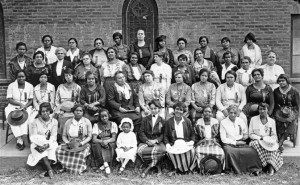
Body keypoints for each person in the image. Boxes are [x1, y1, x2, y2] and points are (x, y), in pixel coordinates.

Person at [220, 105, 262, 174]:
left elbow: (245, 133)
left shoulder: (240, 121)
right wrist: (235, 143)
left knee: (252, 151)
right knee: (230, 152)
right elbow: (223, 139)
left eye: (235, 113)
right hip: (229, 144)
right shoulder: (223, 122)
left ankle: (253, 170)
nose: (233, 115)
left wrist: (243, 139)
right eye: (231, 112)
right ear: (228, 112)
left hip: (241, 142)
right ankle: (233, 170)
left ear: (237, 114)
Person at [56, 104, 92, 175]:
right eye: (76, 110)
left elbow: (89, 136)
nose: (78, 112)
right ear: (73, 112)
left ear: (83, 112)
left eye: (80, 111)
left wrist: (81, 143)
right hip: (70, 142)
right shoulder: (68, 122)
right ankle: (65, 167)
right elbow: (64, 136)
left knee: (80, 153)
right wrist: (67, 143)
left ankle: (79, 169)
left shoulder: (87, 122)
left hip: (82, 143)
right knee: (58, 150)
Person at [249, 103, 283, 176]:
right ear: (258, 110)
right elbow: (251, 134)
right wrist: (260, 138)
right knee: (257, 144)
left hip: (268, 141)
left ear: (267, 110)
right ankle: (266, 167)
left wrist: (271, 141)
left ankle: (270, 166)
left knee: (273, 147)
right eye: (260, 109)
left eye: (264, 109)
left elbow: (274, 135)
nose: (262, 111)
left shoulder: (272, 121)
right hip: (257, 140)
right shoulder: (253, 119)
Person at [27, 103, 58, 179]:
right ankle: (50, 169)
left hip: (50, 142)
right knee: (41, 151)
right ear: (40, 112)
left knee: (53, 147)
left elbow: (53, 136)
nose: (45, 113)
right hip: (38, 143)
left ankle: (47, 170)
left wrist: (48, 144)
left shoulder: (54, 121)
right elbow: (34, 136)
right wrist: (42, 144)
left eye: (47, 111)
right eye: (43, 111)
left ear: (50, 111)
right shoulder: (35, 121)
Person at [164, 102, 195, 176]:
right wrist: (167, 144)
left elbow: (192, 134)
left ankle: (187, 169)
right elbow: (165, 135)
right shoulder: (169, 122)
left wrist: (192, 141)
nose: (179, 111)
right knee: (171, 152)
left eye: (181, 110)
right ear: (174, 110)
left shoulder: (187, 121)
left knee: (192, 151)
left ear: (183, 112)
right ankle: (177, 169)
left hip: (185, 142)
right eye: (177, 109)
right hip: (174, 143)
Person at [191, 106, 224, 174]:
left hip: (213, 143)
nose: (207, 113)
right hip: (202, 143)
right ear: (202, 113)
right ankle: (201, 169)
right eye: (205, 111)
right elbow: (196, 136)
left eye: (209, 112)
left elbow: (218, 135)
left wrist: (216, 141)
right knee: (198, 152)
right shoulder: (198, 122)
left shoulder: (216, 122)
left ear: (212, 113)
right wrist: (199, 142)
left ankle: (217, 169)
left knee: (221, 153)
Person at [5, 70, 34, 150]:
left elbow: (31, 100)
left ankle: (24, 135)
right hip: (13, 106)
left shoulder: (30, 86)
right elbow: (9, 99)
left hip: (26, 106)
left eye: (23, 76)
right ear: (16, 77)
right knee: (12, 118)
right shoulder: (11, 86)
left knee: (26, 117)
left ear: (25, 77)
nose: (21, 78)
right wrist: (19, 104)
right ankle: (19, 138)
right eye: (19, 77)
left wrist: (24, 106)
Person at [138, 99, 166, 178]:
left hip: (157, 141)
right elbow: (141, 132)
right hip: (147, 140)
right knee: (141, 151)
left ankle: (148, 168)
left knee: (163, 150)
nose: (153, 110)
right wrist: (147, 141)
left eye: (155, 108)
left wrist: (156, 141)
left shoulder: (162, 120)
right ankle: (158, 167)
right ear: (149, 109)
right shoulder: (145, 119)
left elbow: (163, 134)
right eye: (151, 109)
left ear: (159, 109)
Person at [273, 74, 299, 148]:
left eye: (283, 81)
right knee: (278, 122)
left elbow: (297, 105)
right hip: (280, 111)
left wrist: (295, 114)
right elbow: (275, 104)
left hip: (291, 111)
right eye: (280, 81)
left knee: (291, 122)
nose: (281, 82)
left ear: (287, 81)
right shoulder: (276, 91)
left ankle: (282, 138)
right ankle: (281, 137)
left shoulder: (294, 91)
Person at [90, 109, 118, 175]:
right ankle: (104, 164)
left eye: (105, 116)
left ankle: (106, 164)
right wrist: (101, 141)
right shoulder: (96, 125)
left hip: (110, 141)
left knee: (112, 144)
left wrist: (107, 141)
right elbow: (94, 139)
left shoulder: (113, 124)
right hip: (100, 140)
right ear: (100, 117)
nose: (104, 118)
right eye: (102, 116)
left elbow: (113, 138)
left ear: (108, 116)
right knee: (95, 145)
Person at [55, 68, 81, 136]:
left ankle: (73, 138)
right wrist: (60, 109)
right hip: (62, 110)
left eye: (70, 75)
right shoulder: (60, 87)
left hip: (73, 110)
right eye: (66, 75)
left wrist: (74, 109)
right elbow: (57, 101)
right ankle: (62, 137)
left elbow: (79, 102)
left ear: (73, 76)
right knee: (61, 119)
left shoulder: (77, 87)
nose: (68, 77)